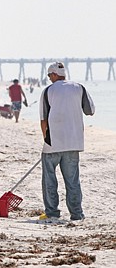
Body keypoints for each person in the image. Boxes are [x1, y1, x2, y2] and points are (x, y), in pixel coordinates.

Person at [38, 62, 95, 221]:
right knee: (73, 181)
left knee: (49, 180)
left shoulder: (48, 91)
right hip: (74, 142)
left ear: (54, 75)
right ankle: (76, 214)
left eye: (49, 76)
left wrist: (46, 140)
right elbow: (90, 111)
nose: (49, 79)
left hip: (53, 143)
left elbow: (43, 120)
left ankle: (52, 213)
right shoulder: (79, 87)